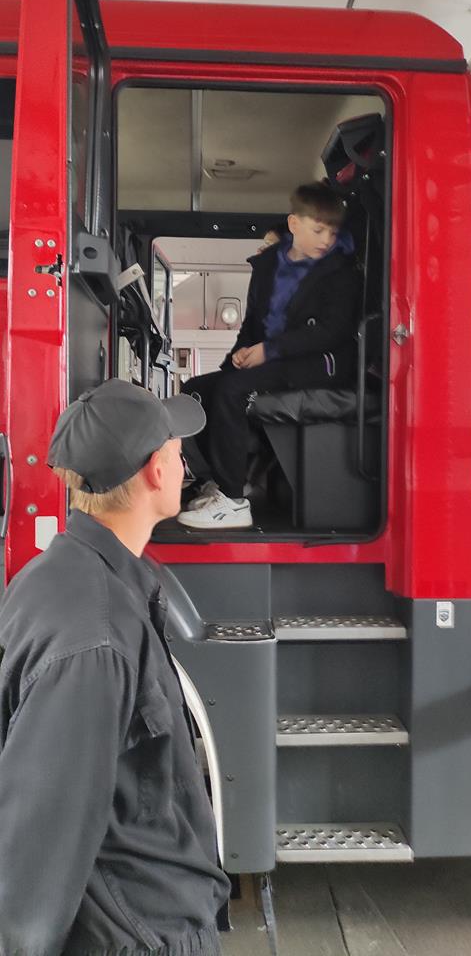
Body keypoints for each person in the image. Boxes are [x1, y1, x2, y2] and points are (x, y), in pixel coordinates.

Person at [0, 378, 230, 955]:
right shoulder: (94, 640)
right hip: (137, 936)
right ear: (154, 471)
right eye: (177, 449)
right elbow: (37, 851)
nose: (184, 462)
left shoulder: (61, 577)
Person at [178, 181, 358, 530]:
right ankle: (218, 479)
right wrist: (237, 358)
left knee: (232, 391)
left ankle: (233, 501)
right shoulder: (268, 267)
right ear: (294, 224)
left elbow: (330, 332)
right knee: (197, 390)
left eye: (332, 232)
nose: (326, 240)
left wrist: (269, 351)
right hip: (276, 358)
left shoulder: (341, 273)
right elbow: (253, 323)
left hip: (321, 363)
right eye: (318, 230)